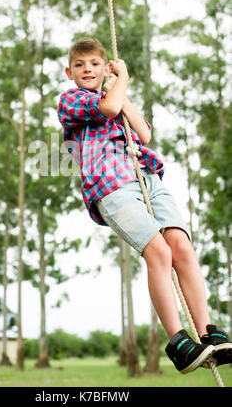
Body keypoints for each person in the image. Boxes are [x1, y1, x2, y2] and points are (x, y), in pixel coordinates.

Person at [57, 37, 232, 374]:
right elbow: (107, 109)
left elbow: (144, 134)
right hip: (111, 185)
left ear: (104, 67)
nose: (87, 70)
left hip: (146, 178)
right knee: (159, 252)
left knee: (181, 246)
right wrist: (121, 79)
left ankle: (209, 332)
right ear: (70, 72)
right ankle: (178, 341)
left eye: (95, 64)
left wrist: (118, 85)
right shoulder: (71, 100)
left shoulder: (118, 95)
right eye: (80, 66)